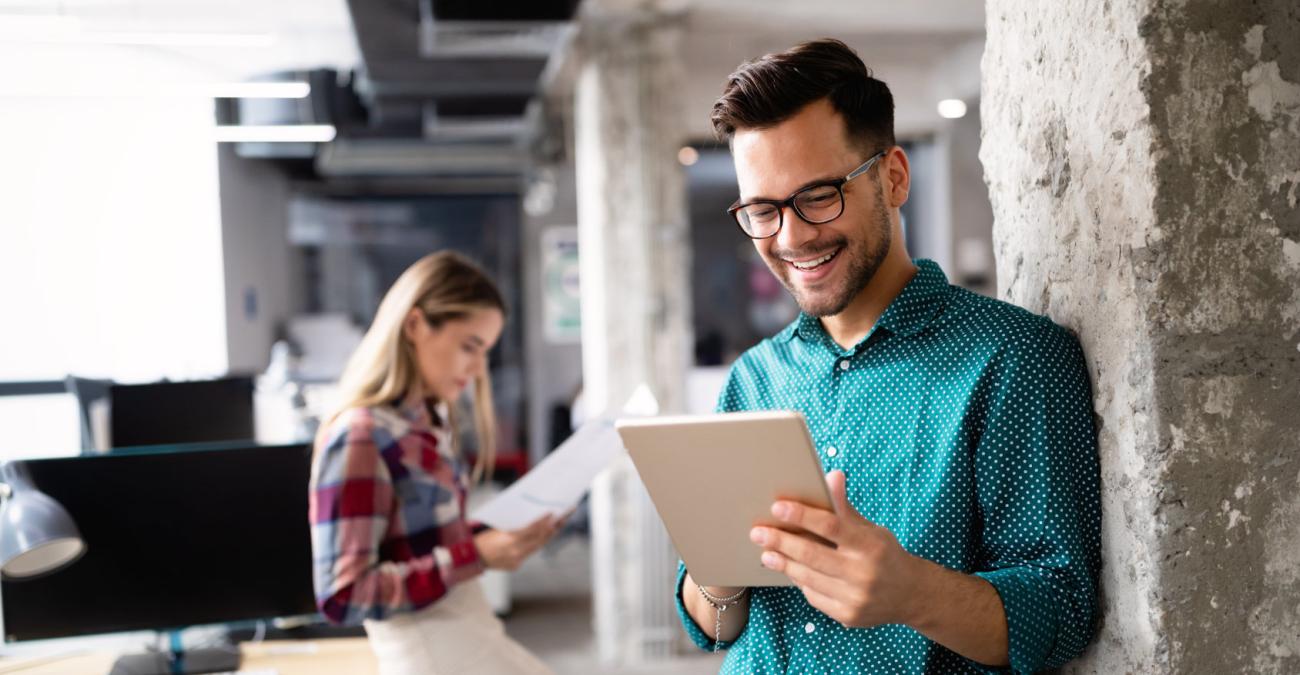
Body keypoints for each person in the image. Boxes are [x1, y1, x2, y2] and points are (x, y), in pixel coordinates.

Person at [676, 39, 1101, 674]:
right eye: (763, 210)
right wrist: (718, 576)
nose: (791, 237)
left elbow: (1063, 613)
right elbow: (713, 624)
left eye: (819, 195)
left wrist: (912, 593)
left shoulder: (1015, 357)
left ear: (893, 177)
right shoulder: (753, 379)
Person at [309, 251, 559, 675]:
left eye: (485, 352)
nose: (479, 369)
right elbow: (344, 595)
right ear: (414, 325)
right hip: (429, 651)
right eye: (470, 346)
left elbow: (421, 540)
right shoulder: (361, 436)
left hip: (467, 629)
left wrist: (493, 536)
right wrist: (475, 555)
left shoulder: (427, 422)